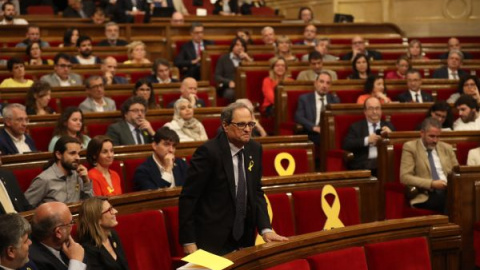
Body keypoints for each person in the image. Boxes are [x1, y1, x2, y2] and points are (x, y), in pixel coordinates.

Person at [179, 102, 288, 256]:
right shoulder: (208, 152)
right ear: (225, 125)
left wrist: (265, 229)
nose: (248, 129)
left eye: (251, 124)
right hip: (212, 239)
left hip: (244, 237)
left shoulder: (255, 149)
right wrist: (189, 241)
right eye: (241, 124)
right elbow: (189, 198)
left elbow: (256, 192)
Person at [400, 117, 458, 213]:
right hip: (426, 194)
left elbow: (457, 172)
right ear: (422, 133)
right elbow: (405, 177)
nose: (435, 140)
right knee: (446, 200)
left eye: (438, 136)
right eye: (431, 136)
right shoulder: (410, 147)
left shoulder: (447, 148)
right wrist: (432, 184)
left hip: (449, 189)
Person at [25, 136, 93, 207]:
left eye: (78, 154)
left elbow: (89, 206)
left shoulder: (77, 175)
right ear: (59, 155)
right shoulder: (44, 179)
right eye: (72, 153)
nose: (78, 157)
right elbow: (25, 207)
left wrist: (86, 181)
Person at [342, 97, 395, 176]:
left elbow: (398, 146)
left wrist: (391, 136)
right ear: (365, 111)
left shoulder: (388, 126)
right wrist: (367, 140)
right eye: (371, 109)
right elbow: (347, 144)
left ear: (381, 110)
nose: (375, 112)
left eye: (377, 108)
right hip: (364, 162)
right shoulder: (356, 127)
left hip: (384, 161)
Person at [30, 201, 87, 270]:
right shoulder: (36, 261)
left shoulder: (64, 246)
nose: (73, 226)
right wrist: (76, 261)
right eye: (71, 223)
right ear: (58, 232)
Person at [77, 197, 129, 270]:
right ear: (97, 219)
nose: (115, 211)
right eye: (109, 210)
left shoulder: (112, 235)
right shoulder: (88, 249)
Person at [295, 71, 340, 144]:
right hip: (311, 132)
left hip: (328, 133)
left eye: (328, 83)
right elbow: (299, 117)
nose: (324, 85)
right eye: (321, 82)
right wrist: (314, 127)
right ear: (315, 83)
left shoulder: (334, 100)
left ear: (330, 86)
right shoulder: (304, 99)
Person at [215, 37, 253, 102]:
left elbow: (254, 73)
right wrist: (228, 82)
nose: (240, 47)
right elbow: (217, 76)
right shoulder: (224, 58)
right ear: (232, 46)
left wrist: (248, 59)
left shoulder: (247, 58)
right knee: (231, 94)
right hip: (229, 87)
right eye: (237, 45)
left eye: (242, 46)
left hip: (245, 87)